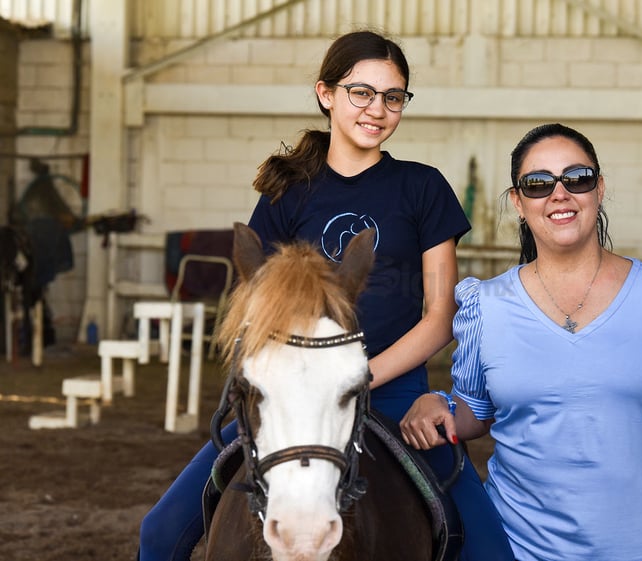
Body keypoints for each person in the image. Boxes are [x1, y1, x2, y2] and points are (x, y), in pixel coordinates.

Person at [138, 30, 514, 561]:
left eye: (392, 96)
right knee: (159, 534)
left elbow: (439, 314)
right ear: (326, 94)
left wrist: (357, 378)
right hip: (293, 397)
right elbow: (257, 309)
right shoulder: (287, 193)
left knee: (489, 550)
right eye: (361, 92)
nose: (376, 109)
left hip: (394, 392)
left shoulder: (423, 187)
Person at [400, 123, 642, 561]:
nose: (559, 194)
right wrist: (435, 403)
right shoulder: (486, 304)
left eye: (577, 178)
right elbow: (473, 416)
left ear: (599, 189)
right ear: (518, 202)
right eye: (538, 184)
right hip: (521, 548)